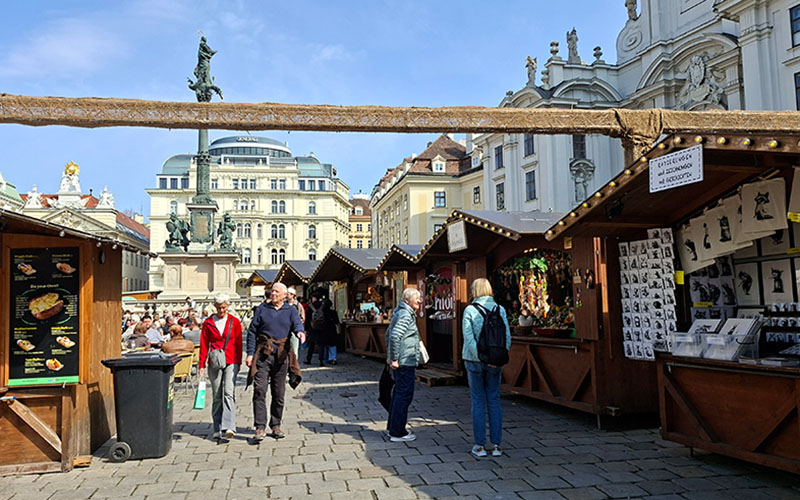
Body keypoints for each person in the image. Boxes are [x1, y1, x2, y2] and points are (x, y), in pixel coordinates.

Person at [246, 283, 305, 441]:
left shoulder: (290, 310)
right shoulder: (262, 310)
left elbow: (297, 324)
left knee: (278, 393)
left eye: (276, 291)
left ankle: (276, 424)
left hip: (281, 355)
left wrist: (300, 332)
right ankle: (259, 427)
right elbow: (252, 332)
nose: (273, 294)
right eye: (272, 291)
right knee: (259, 389)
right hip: (263, 354)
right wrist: (250, 354)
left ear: (284, 295)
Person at [462, 278, 511, 458]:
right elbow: (506, 336)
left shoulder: (469, 310)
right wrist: (497, 357)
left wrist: (479, 357)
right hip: (495, 361)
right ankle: (497, 445)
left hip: (474, 360)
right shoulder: (500, 309)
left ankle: (480, 445)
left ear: (474, 291)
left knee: (477, 401)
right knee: (494, 399)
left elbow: (468, 337)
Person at [199, 294, 243, 440]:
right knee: (217, 395)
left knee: (229, 393)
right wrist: (201, 364)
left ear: (228, 306)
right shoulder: (209, 323)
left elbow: (238, 342)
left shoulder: (234, 322)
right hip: (215, 361)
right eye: (218, 308)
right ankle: (217, 427)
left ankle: (229, 426)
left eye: (223, 307)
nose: (221, 310)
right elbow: (204, 343)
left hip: (231, 360)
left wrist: (239, 362)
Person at [385, 288, 422, 442]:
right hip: (405, 361)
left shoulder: (400, 312)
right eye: (417, 298)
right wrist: (394, 358)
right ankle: (398, 432)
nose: (419, 301)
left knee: (399, 394)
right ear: (407, 300)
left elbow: (389, 334)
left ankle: (393, 428)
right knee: (404, 395)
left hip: (403, 359)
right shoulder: (405, 315)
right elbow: (394, 337)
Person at [307, 298, 339, 366]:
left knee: (315, 345)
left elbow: (308, 319)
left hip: (317, 329)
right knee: (328, 345)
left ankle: (311, 359)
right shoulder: (333, 312)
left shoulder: (320, 311)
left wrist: (306, 329)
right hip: (330, 330)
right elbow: (337, 322)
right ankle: (329, 359)